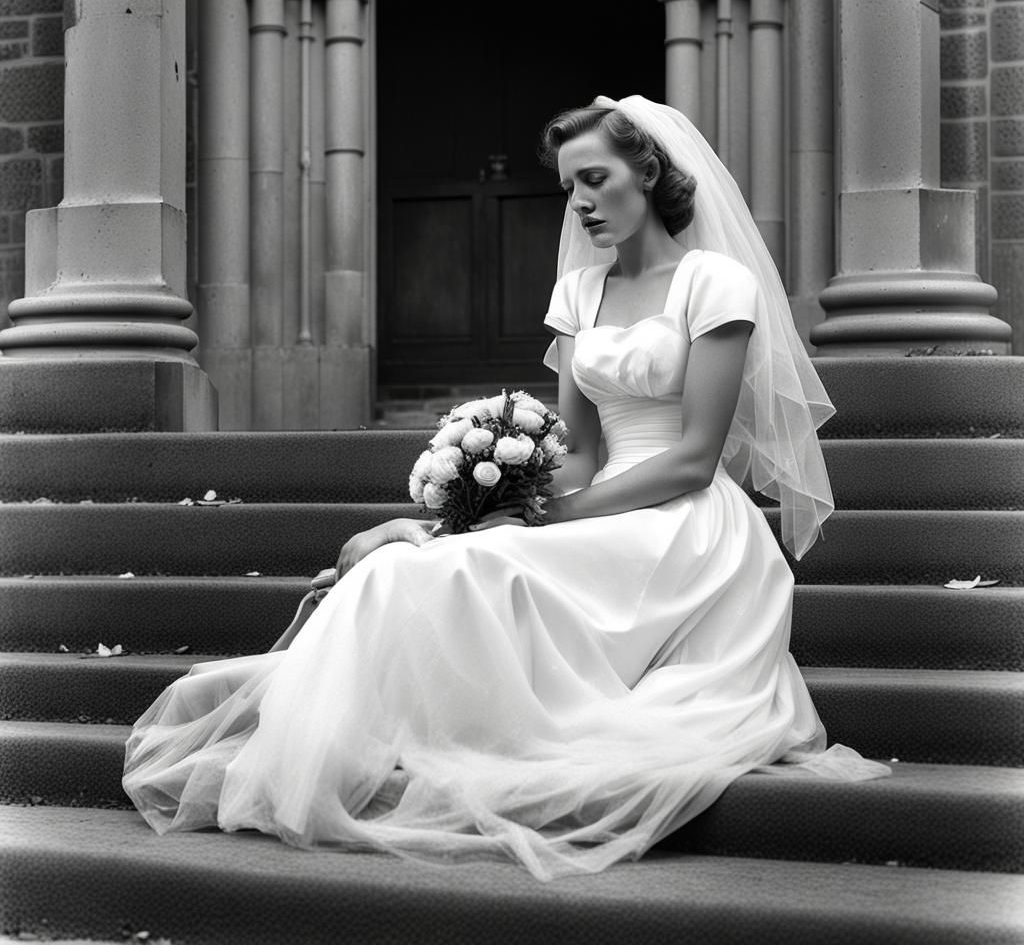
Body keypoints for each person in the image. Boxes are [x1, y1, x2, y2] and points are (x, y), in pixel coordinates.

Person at [123, 95, 887, 881]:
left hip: (686, 525)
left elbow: (696, 457)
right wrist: (499, 514)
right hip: (599, 503)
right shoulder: (578, 296)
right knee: (417, 563)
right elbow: (584, 452)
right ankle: (385, 732)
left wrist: (549, 517)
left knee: (482, 565)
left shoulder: (714, 283)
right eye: (568, 187)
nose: (581, 202)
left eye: (596, 178)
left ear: (649, 172)